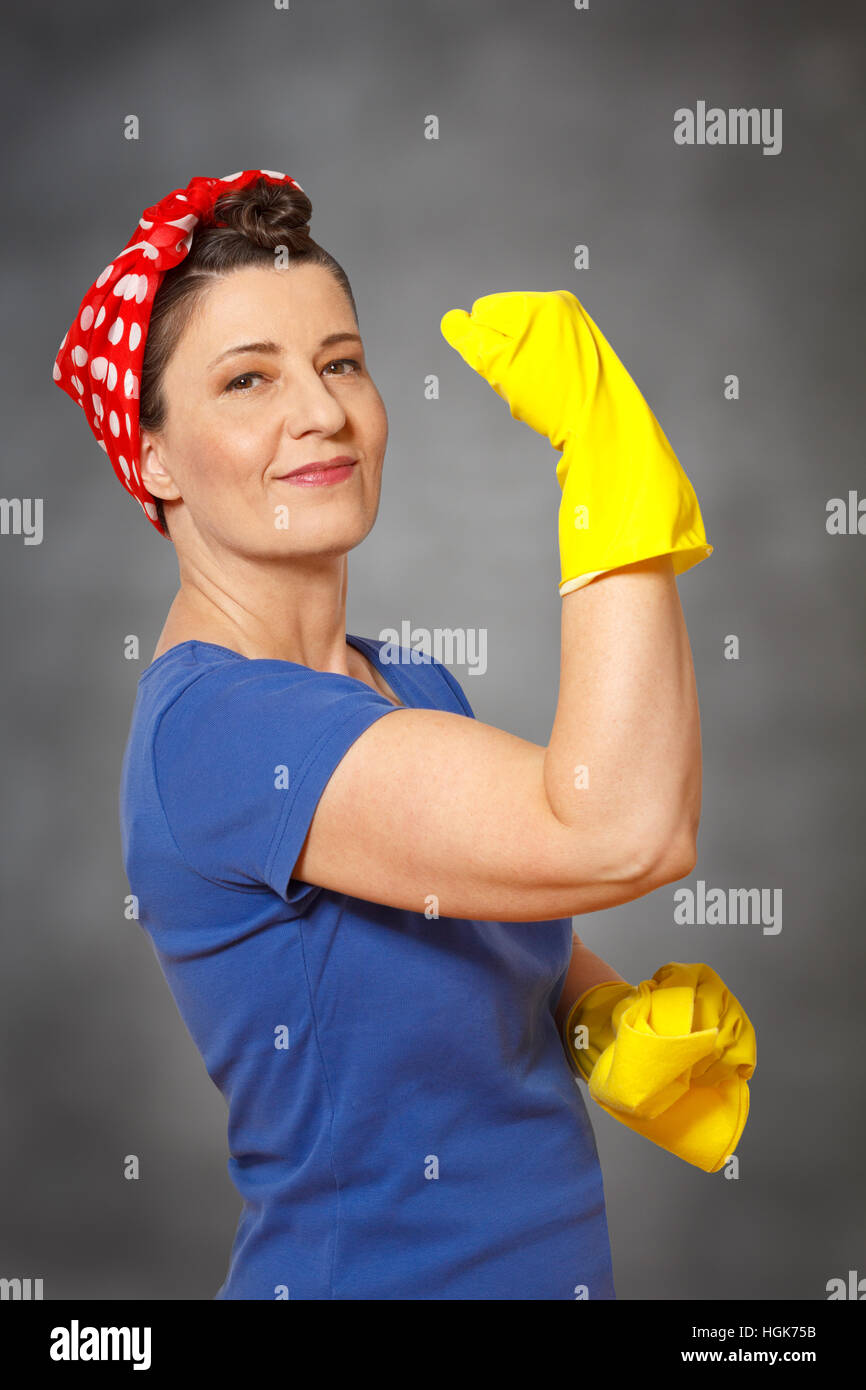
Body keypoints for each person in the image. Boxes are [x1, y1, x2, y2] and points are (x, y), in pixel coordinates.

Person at [53, 168, 713, 1301]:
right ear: (153, 457)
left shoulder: (403, 683)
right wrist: (607, 463)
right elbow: (618, 830)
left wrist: (596, 1015)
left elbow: (482, 935)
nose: (321, 410)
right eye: (247, 378)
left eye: (339, 360)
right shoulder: (220, 729)